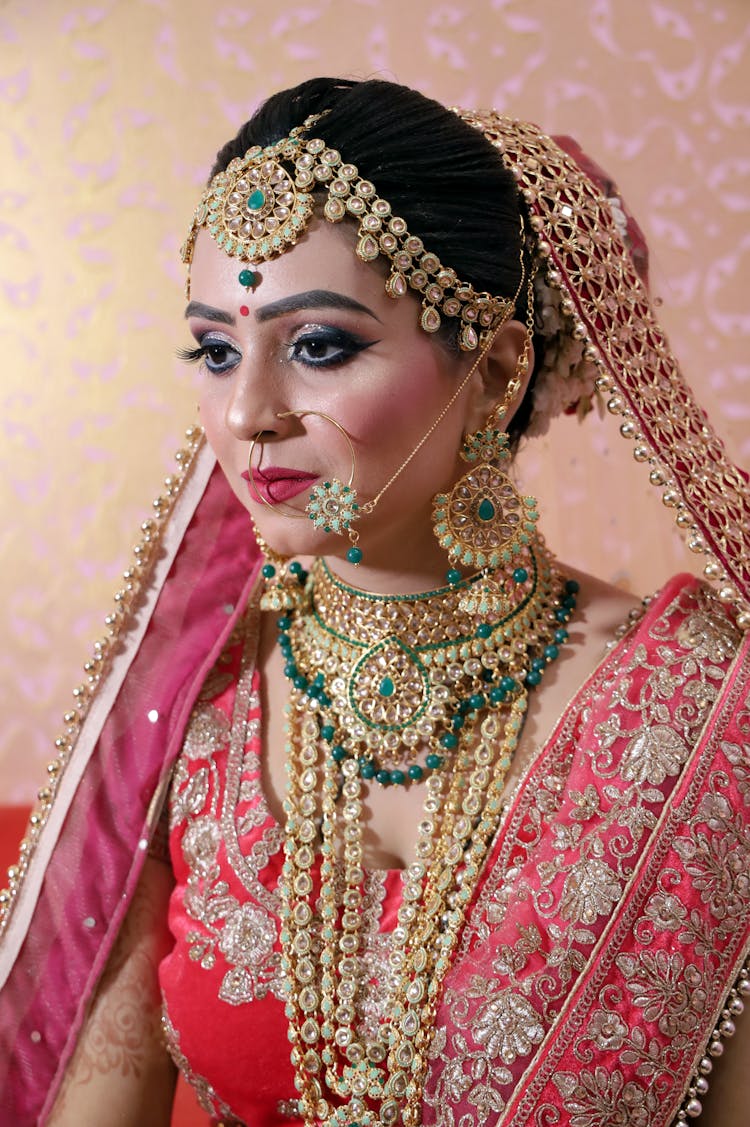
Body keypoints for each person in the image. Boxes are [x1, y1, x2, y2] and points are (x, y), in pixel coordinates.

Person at [0, 77, 748, 1127]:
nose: (248, 411)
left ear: (491, 373)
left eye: (318, 345)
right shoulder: (187, 699)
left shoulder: (704, 705)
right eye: (217, 349)